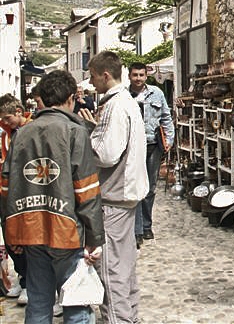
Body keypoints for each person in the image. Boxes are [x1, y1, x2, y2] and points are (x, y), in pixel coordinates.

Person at [0, 70, 105, 323]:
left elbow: (5, 190)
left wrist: (11, 233)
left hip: (31, 230)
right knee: (76, 304)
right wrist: (94, 239)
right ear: (70, 99)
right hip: (66, 231)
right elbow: (87, 190)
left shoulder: (21, 134)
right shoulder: (75, 131)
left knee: (38, 302)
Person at [78, 51, 148, 324]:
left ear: (105, 75)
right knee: (124, 265)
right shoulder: (125, 102)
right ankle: (129, 316)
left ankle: (118, 320)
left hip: (114, 198)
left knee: (110, 269)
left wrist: (88, 132)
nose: (91, 82)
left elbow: (106, 154)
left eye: (93, 76)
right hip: (125, 197)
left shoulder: (116, 105)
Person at [127, 62, 174, 248]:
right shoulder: (124, 96)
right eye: (135, 75)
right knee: (135, 187)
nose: (138, 78)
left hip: (153, 145)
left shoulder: (156, 93)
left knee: (150, 188)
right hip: (132, 147)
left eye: (141, 75)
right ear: (129, 76)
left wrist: (169, 140)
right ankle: (137, 230)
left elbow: (166, 117)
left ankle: (147, 225)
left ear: (146, 76)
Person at [0, 93, 33, 305]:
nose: (5, 122)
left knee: (25, 238)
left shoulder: (31, 129)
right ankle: (22, 277)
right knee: (10, 236)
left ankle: (30, 282)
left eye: (7, 118)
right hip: (5, 191)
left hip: (23, 190)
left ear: (18, 112)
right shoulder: (7, 133)